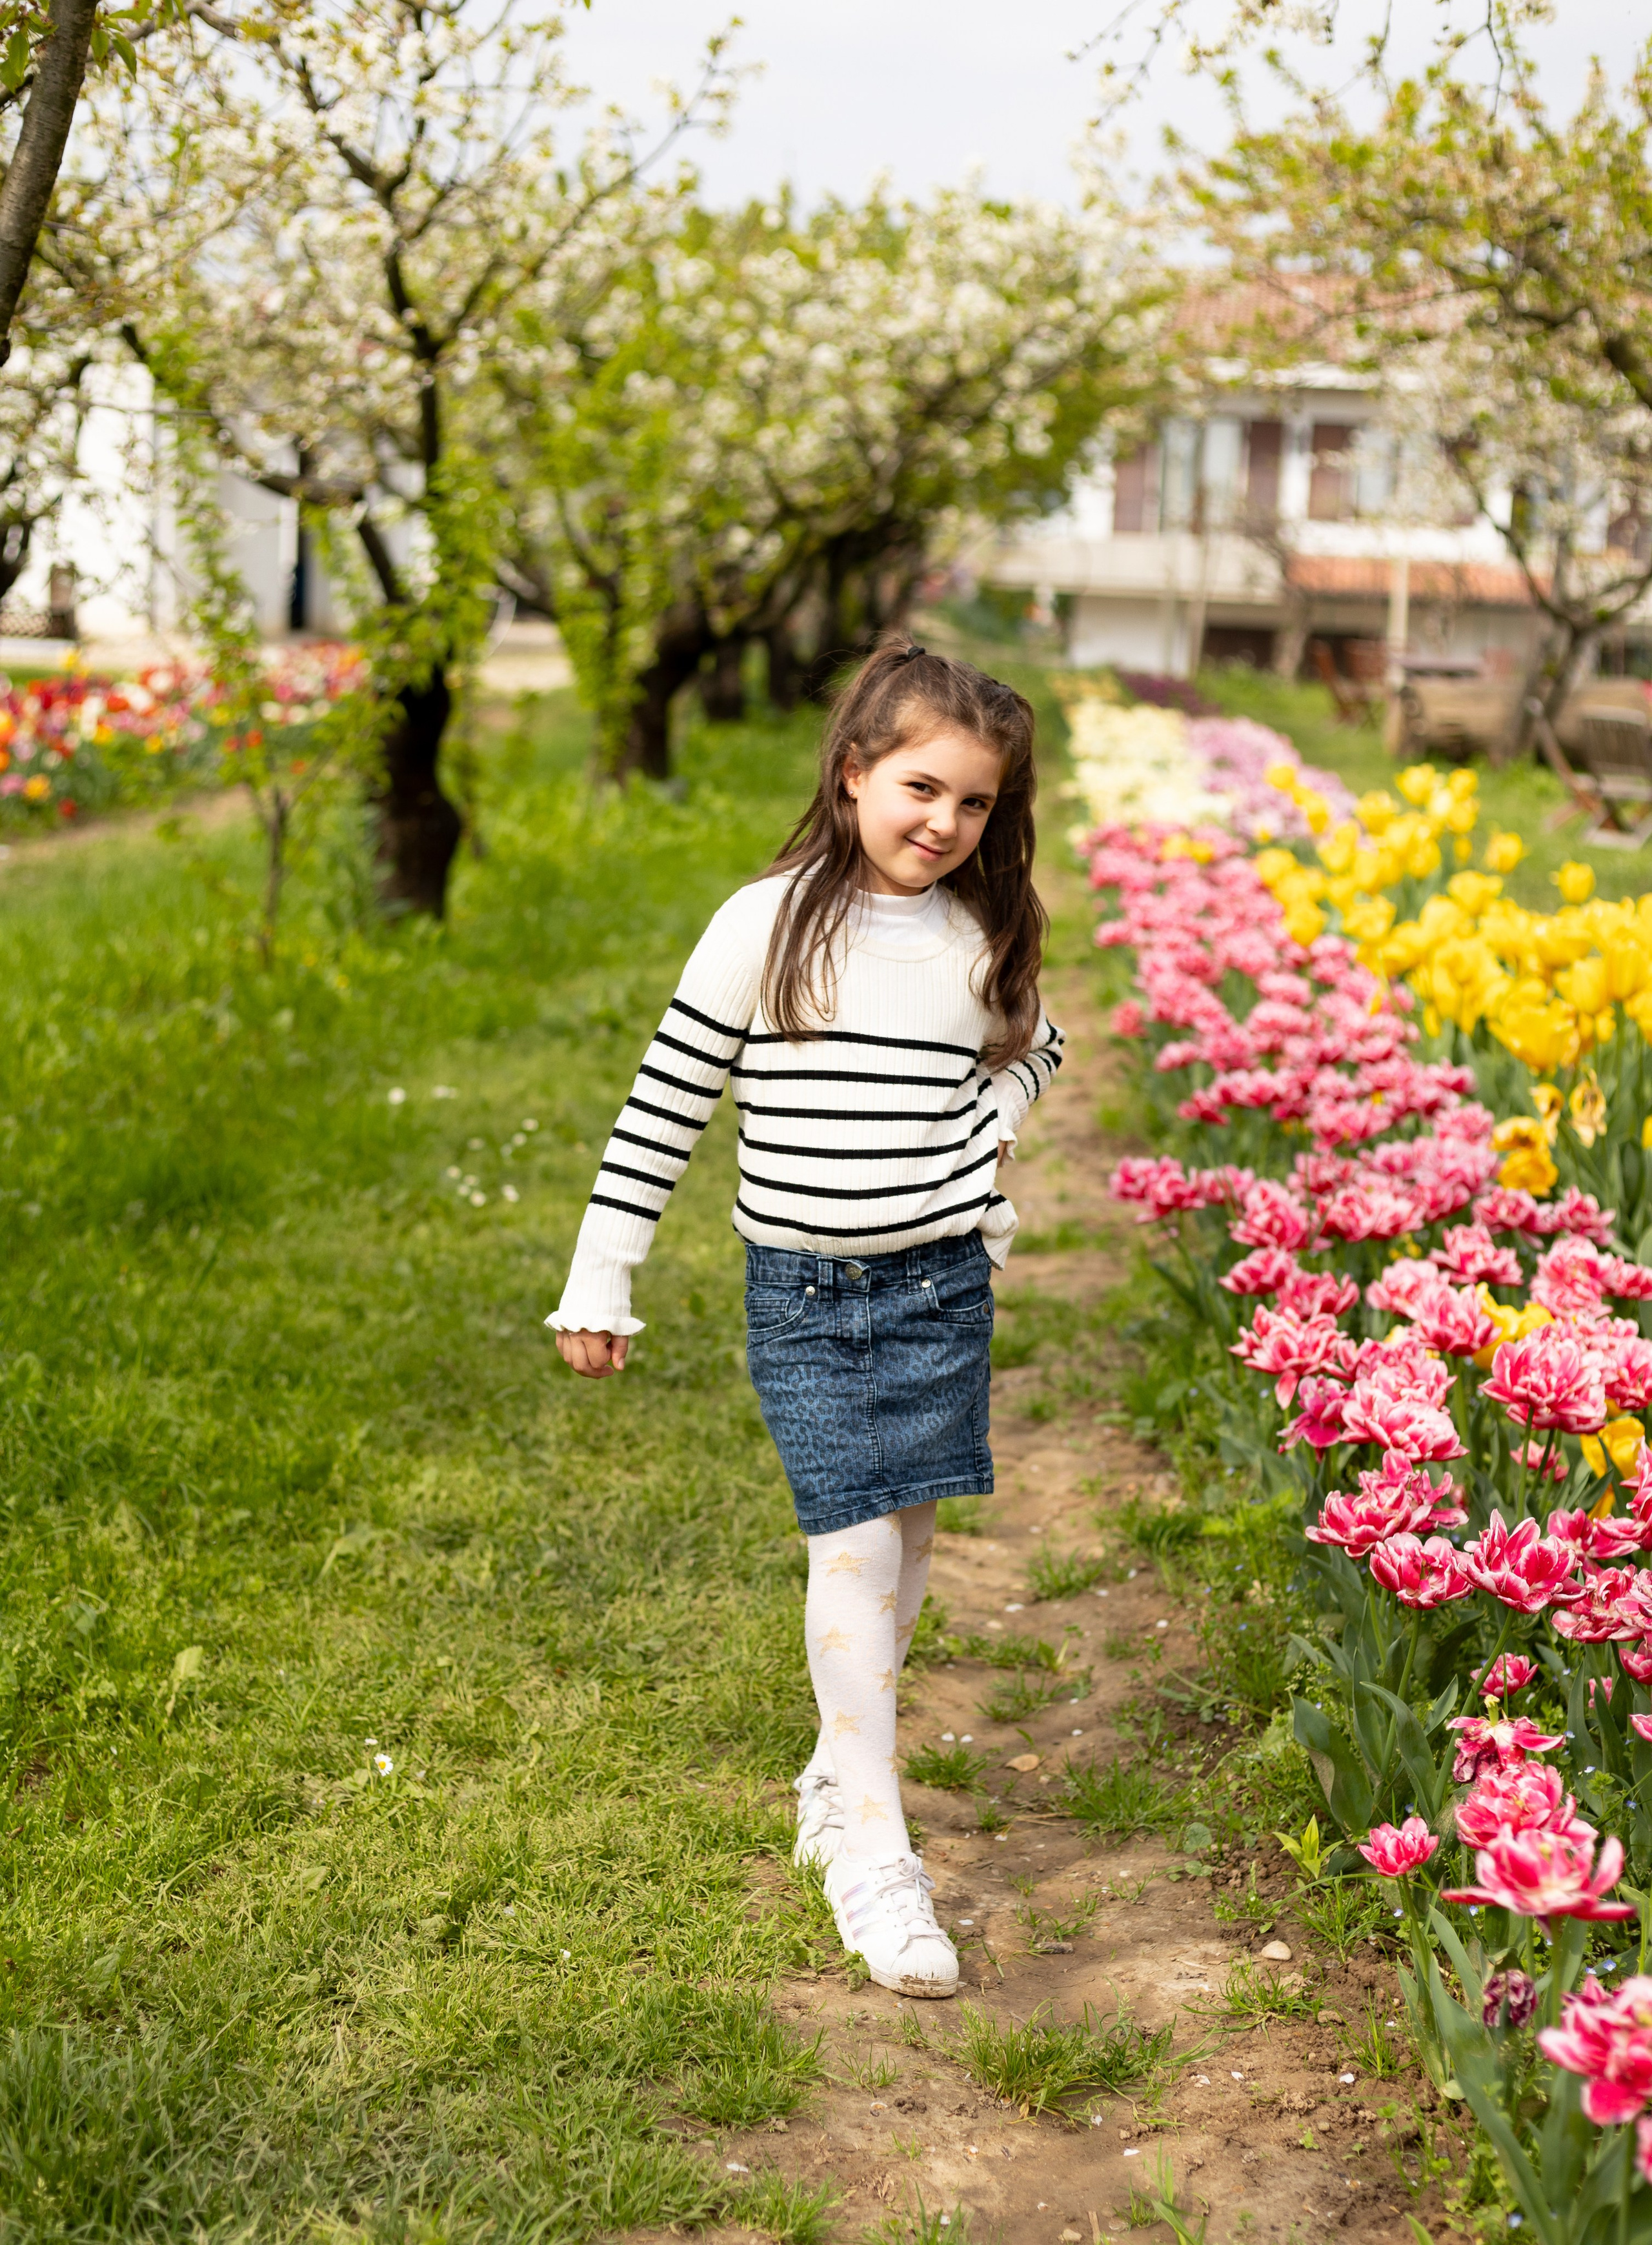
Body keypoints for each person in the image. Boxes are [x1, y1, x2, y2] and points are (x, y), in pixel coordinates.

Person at [548, 638, 1063, 1997]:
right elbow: (663, 1105)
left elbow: (1038, 1047)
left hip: (942, 1285)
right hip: (809, 1298)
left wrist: (988, 1132)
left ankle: (836, 1774)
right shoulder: (765, 924)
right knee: (848, 1553)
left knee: (905, 1541)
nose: (941, 824)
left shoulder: (976, 939)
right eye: (918, 789)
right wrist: (603, 1272)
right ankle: (875, 1852)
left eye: (972, 806)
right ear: (851, 775)